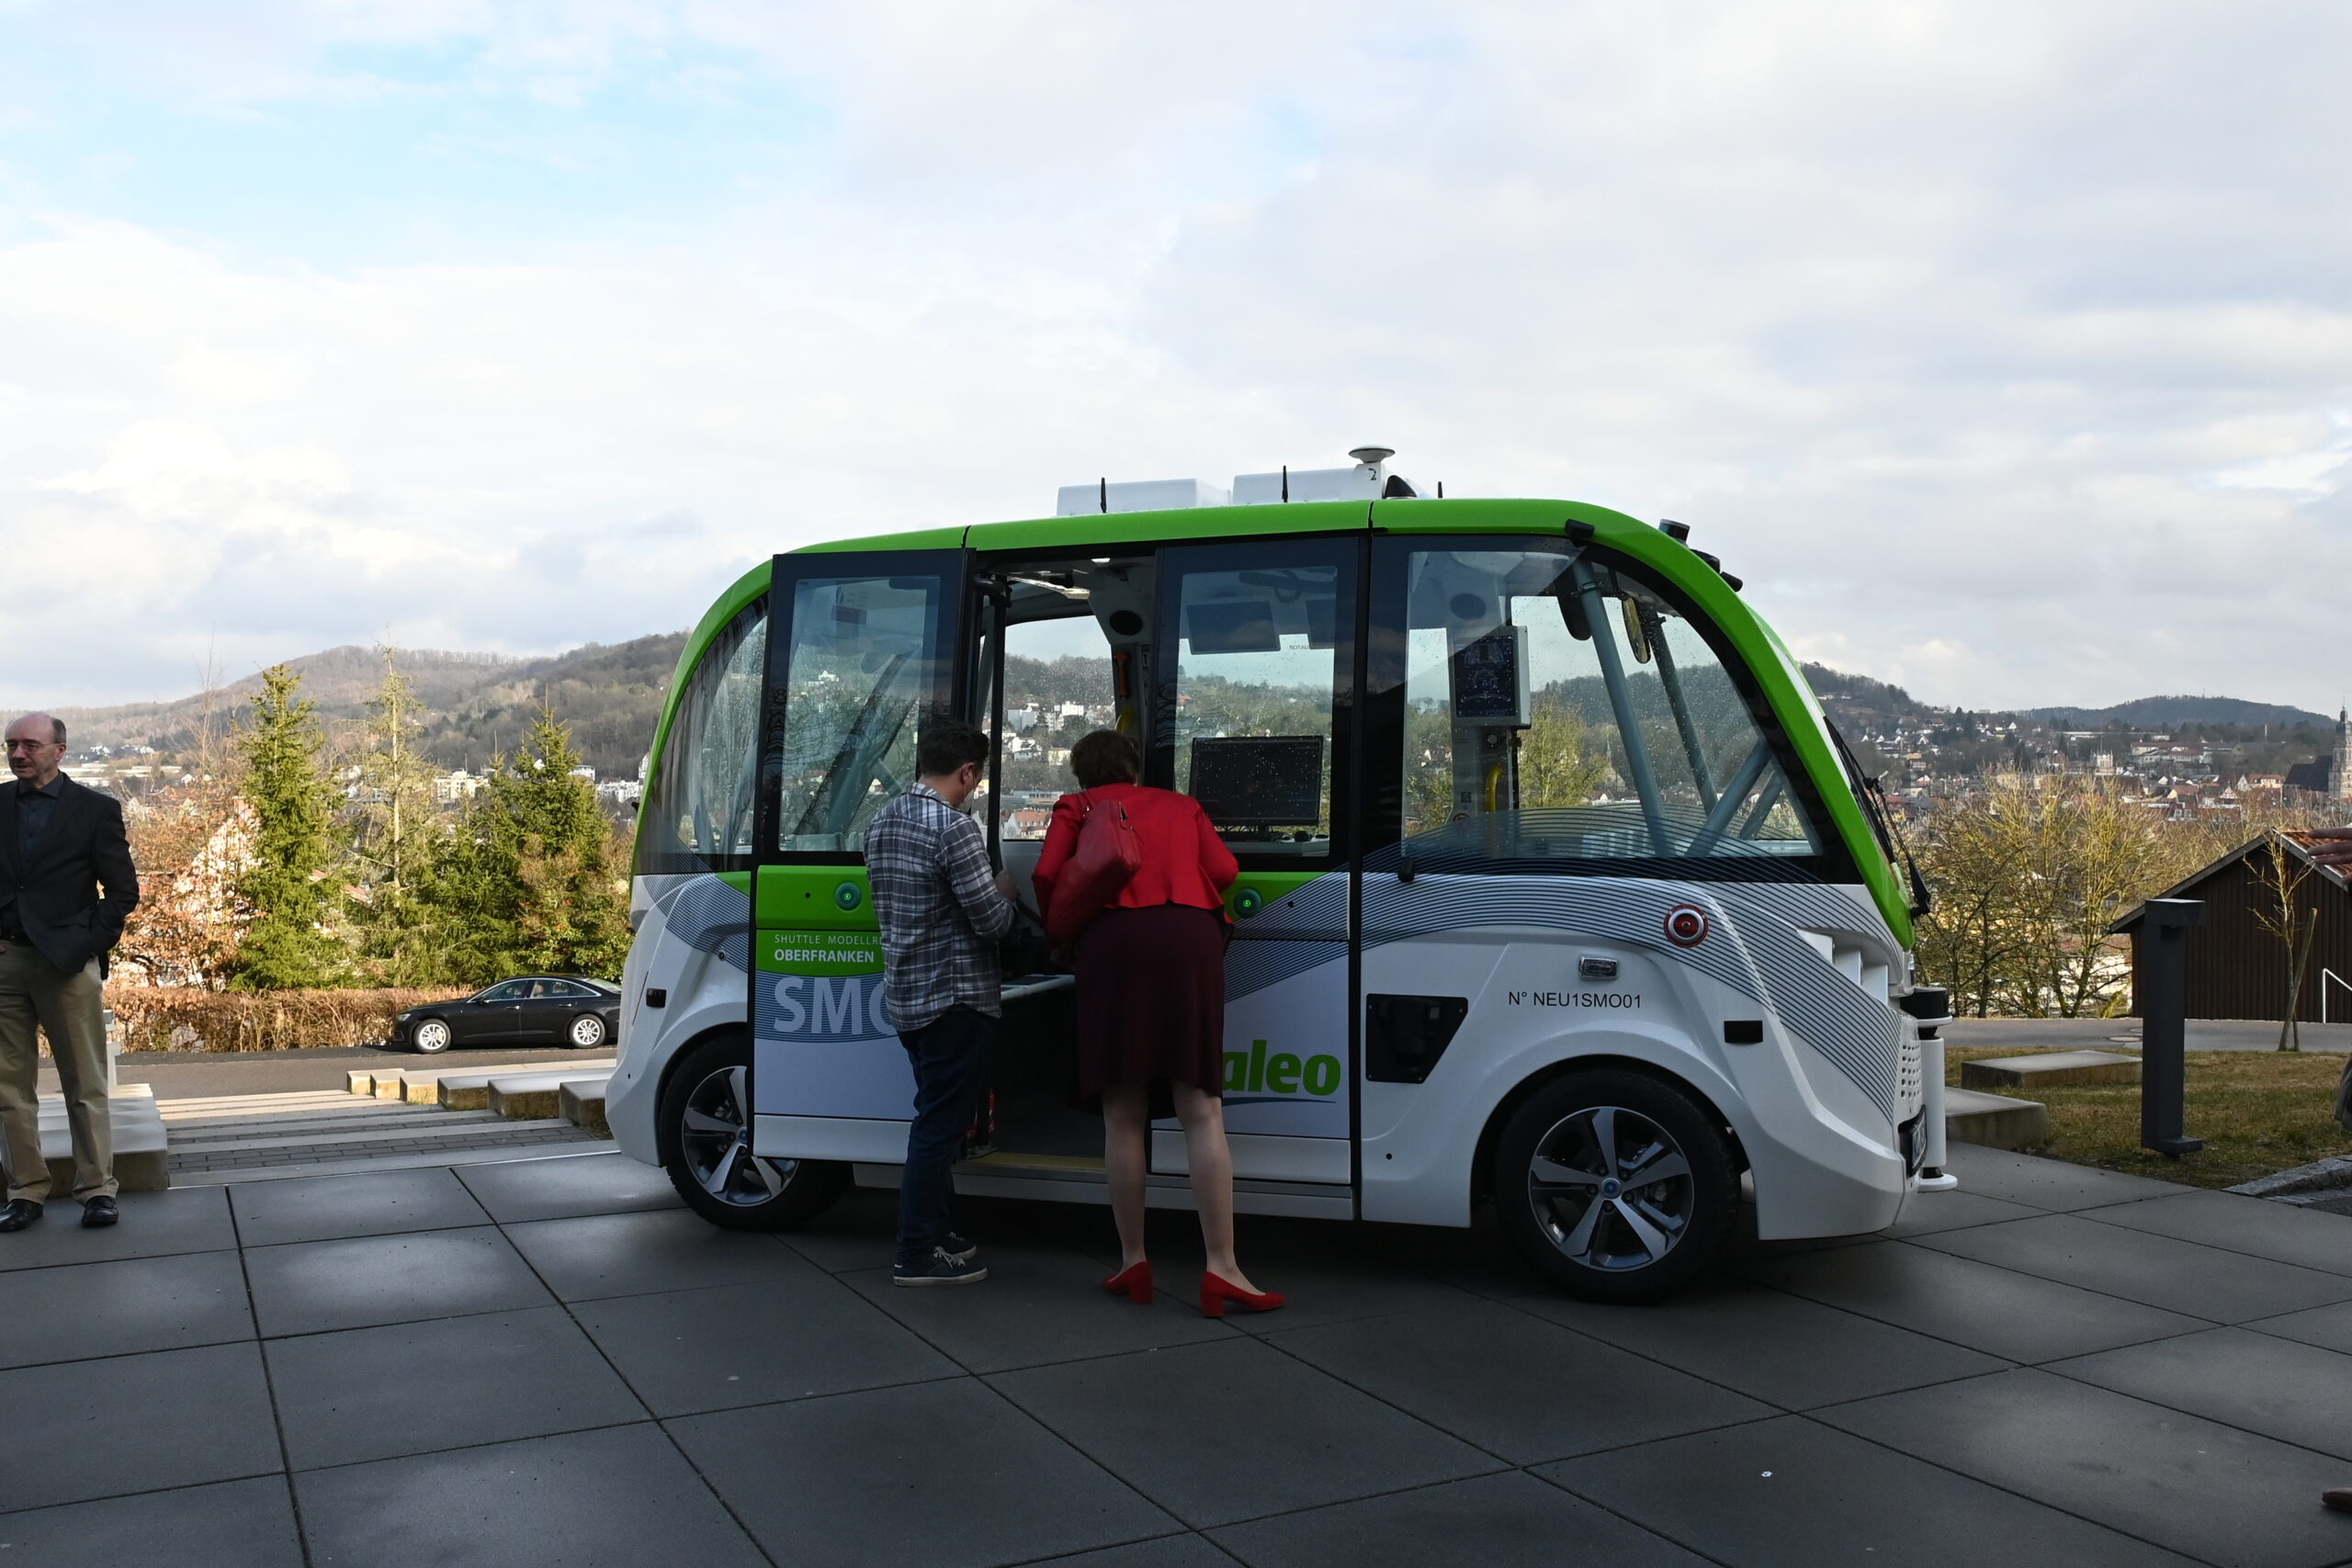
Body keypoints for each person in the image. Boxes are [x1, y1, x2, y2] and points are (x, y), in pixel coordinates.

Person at [1034, 729, 1283, 1317]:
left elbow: (1047, 875)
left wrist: (1066, 923)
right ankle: (1223, 1267)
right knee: (1202, 1107)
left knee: (1123, 1111)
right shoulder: (1179, 805)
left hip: (1114, 943)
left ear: (1081, 774)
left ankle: (1132, 1260)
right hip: (1189, 937)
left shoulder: (1079, 807)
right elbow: (1224, 869)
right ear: (1135, 767)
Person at [865, 716, 1019, 1287]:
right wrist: (1006, 893)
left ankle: (937, 1228)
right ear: (968, 771)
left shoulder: (881, 822)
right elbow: (991, 921)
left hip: (908, 997)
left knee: (937, 1119)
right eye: (976, 780)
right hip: (957, 998)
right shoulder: (953, 829)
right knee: (939, 1127)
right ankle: (915, 1252)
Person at [0, 714, 140, 1232]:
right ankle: (25, 1191)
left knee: (85, 1082)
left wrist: (82, 946)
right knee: (7, 1088)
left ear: (59, 750)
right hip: (5, 963)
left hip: (67, 964)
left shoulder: (95, 811)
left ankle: (97, 1190)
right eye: (12, 745)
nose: (18, 754)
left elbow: (122, 894)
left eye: (30, 745)